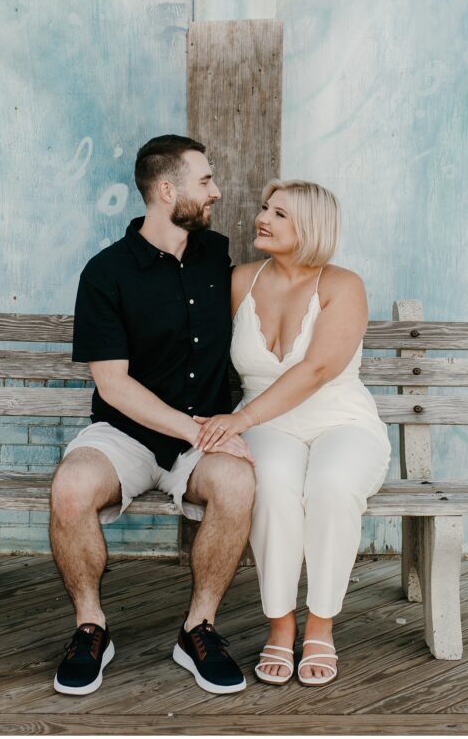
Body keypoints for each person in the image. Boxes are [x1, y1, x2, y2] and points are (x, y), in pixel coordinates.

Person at [49, 134, 256, 696]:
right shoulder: (106, 273)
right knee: (70, 489)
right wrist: (197, 430)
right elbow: (112, 386)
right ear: (167, 191)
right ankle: (90, 628)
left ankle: (198, 629)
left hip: (201, 438)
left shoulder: (216, 256)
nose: (216, 191)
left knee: (238, 482)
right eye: (205, 180)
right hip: (128, 436)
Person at [194, 179, 392, 687]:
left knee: (329, 486)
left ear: (311, 227)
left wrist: (239, 420)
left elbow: (318, 370)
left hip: (340, 420)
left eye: (279, 214)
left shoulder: (343, 284)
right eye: (265, 209)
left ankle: (321, 625)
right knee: (274, 485)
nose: (262, 218)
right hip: (271, 425)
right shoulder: (241, 280)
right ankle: (281, 625)